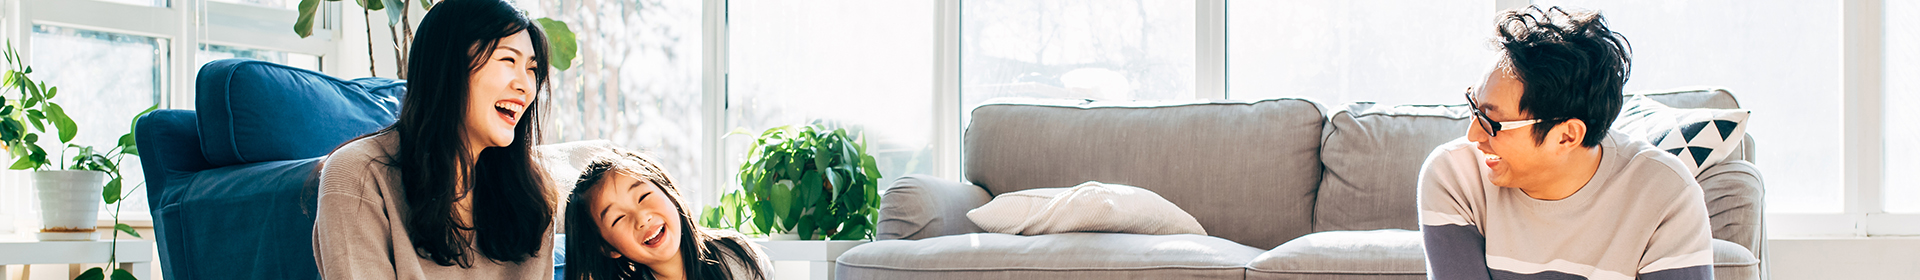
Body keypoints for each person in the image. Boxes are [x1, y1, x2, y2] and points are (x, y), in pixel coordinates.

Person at [1418, 5, 1713, 280]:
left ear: (1567, 136)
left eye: (1493, 123)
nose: (1473, 135)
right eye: (1475, 106)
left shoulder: (1667, 194)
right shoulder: (1454, 176)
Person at [312, 0, 557, 278]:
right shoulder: (357, 174)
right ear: (447, 66)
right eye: (508, 60)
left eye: (532, 69)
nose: (525, 86)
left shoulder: (531, 196)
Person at [563, 148, 770, 280]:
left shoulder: (737, 257)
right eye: (618, 218)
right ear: (606, 247)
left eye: (643, 197)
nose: (642, 219)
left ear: (668, 191)